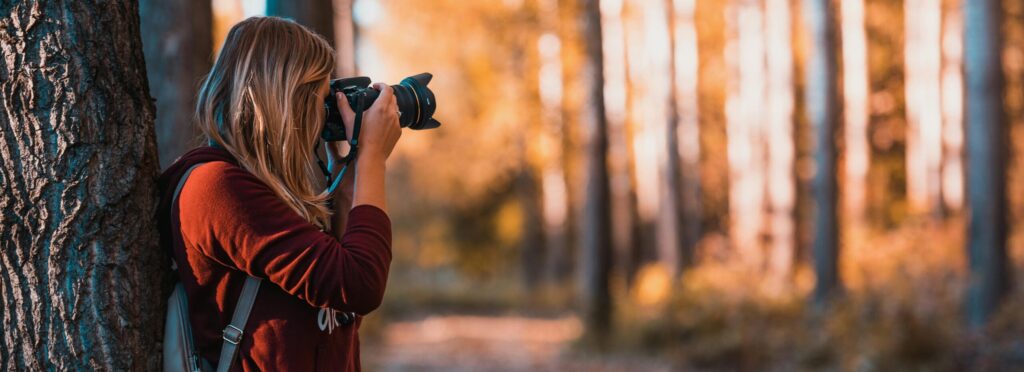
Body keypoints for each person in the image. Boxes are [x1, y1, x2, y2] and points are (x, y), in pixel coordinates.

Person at [156, 16, 400, 371]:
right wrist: (372, 158)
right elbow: (360, 284)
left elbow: (339, 309)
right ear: (288, 101)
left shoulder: (269, 191)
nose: (323, 113)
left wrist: (344, 178)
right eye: (320, 97)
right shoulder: (217, 188)